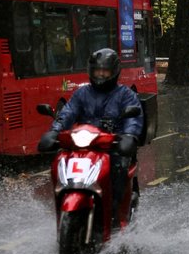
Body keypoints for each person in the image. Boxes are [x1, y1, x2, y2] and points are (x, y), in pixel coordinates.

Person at [38, 48, 142, 224]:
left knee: (117, 168)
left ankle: (115, 213)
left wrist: (129, 136)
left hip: (111, 147)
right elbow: (68, 112)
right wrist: (54, 131)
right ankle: (64, 197)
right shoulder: (82, 93)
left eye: (105, 71)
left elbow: (134, 119)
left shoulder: (126, 95)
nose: (101, 75)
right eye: (97, 70)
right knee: (61, 159)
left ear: (114, 72)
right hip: (84, 146)